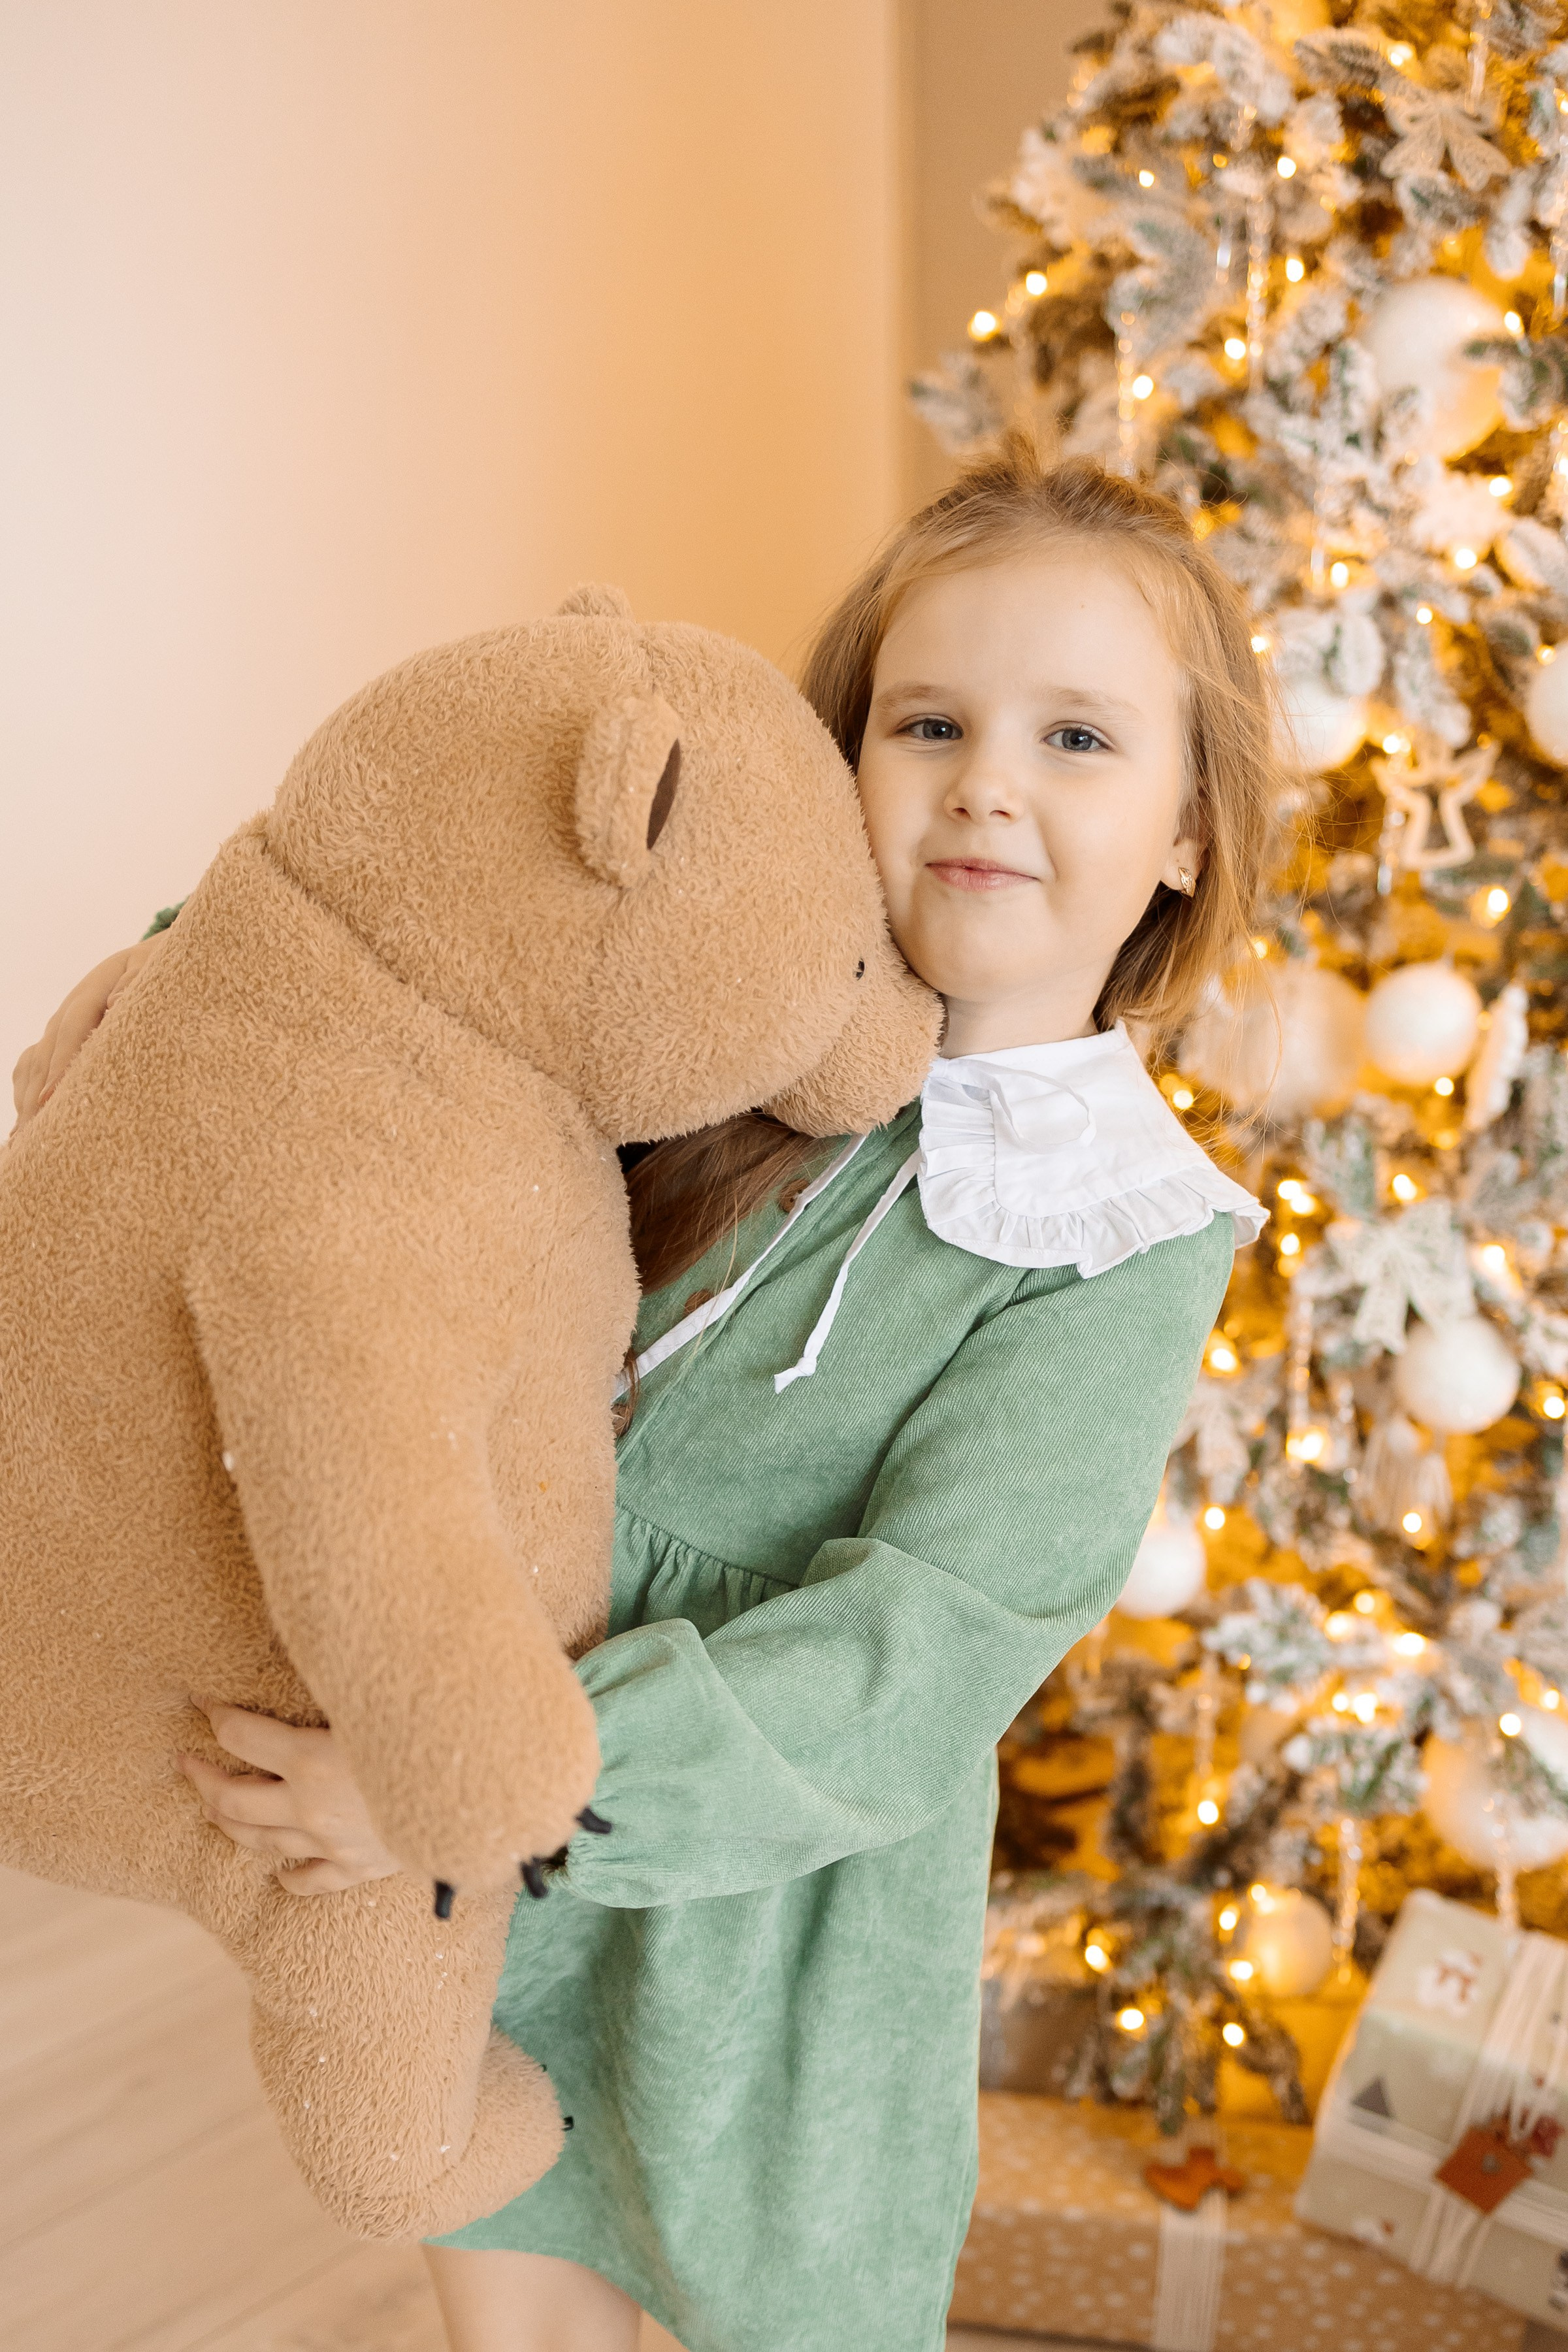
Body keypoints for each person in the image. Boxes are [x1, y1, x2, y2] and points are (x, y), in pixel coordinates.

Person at [12, 444, 1274, 2352]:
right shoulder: (714, 1019)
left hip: (745, 1936)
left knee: (750, 2301)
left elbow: (916, 1652)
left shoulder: (1125, 1242)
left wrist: (477, 1797)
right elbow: (422, 955)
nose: (987, 783)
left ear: (1189, 826)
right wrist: (180, 989)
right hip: (454, 1831)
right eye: (926, 720)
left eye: (1080, 739)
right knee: (504, 2270)